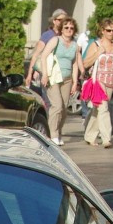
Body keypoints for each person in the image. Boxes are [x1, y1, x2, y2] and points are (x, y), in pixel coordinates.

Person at [33, 16, 82, 145]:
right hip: (53, 78)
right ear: (61, 29)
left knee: (64, 109)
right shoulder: (55, 40)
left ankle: (58, 132)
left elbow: (75, 64)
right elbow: (43, 56)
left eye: (71, 28)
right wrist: (45, 75)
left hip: (67, 79)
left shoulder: (75, 46)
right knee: (57, 106)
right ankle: (52, 135)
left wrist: (75, 82)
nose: (69, 30)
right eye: (66, 27)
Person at [82, 18, 113, 148]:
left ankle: (89, 135)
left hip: (111, 81)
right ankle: (106, 138)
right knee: (104, 108)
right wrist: (98, 53)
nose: (112, 33)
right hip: (98, 81)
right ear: (102, 31)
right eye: (108, 30)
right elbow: (85, 63)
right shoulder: (95, 45)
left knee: (98, 110)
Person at [28, 8, 70, 91]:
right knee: (49, 101)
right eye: (60, 20)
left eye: (65, 20)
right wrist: (30, 74)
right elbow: (36, 55)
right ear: (54, 21)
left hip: (62, 74)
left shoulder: (67, 36)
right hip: (47, 72)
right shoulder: (47, 35)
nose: (62, 22)